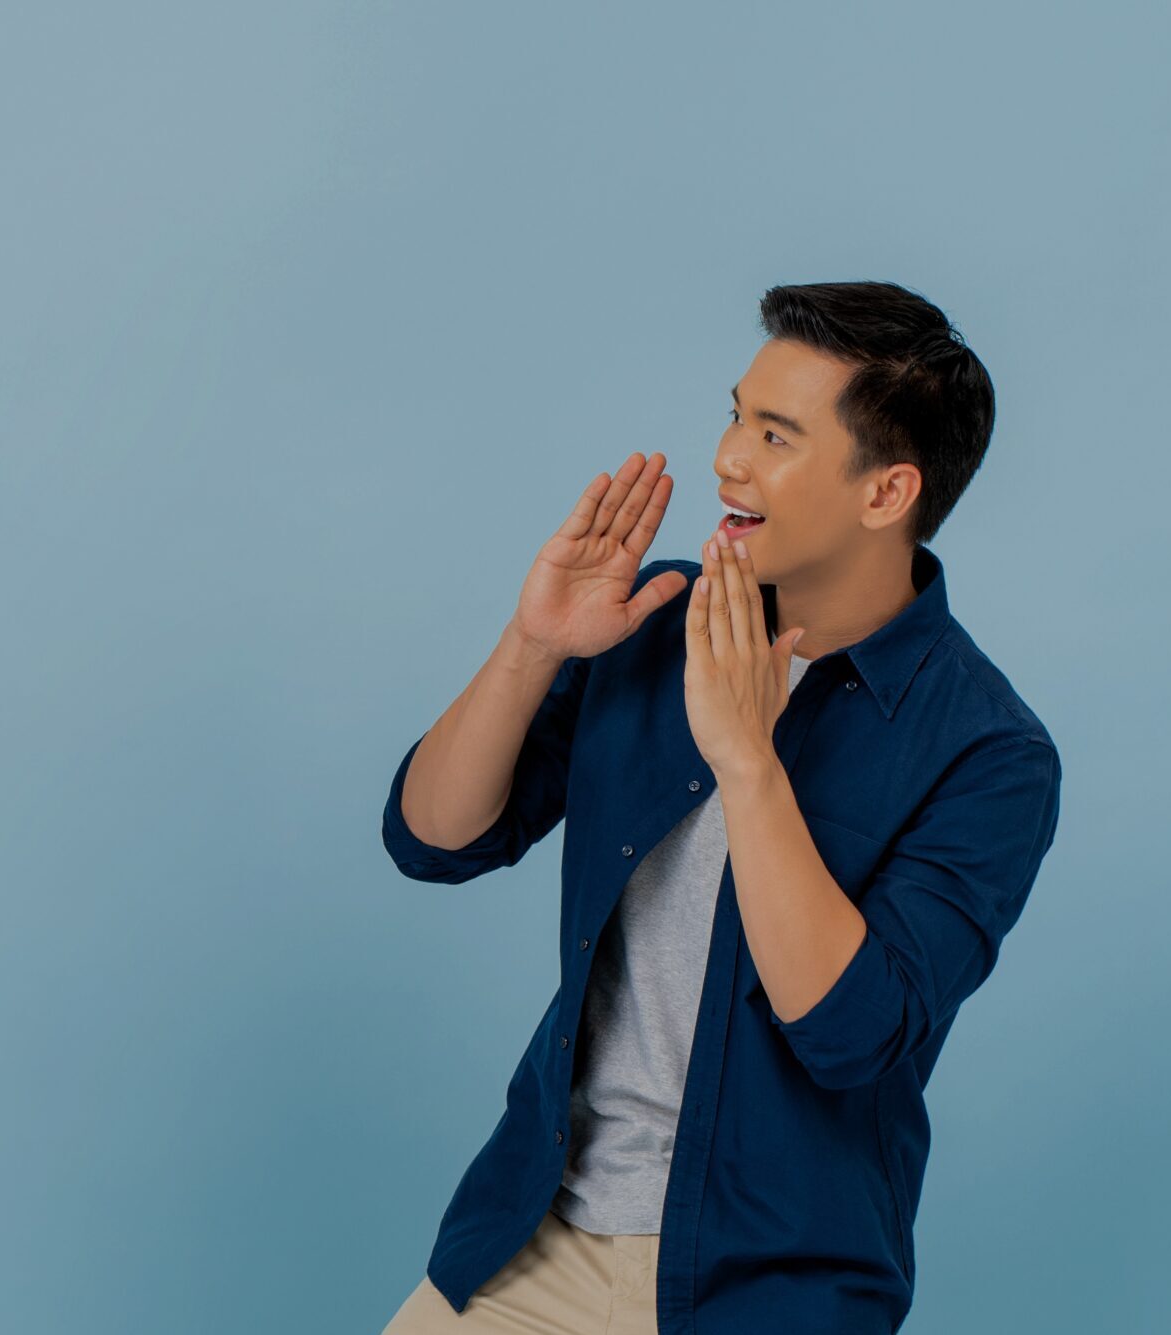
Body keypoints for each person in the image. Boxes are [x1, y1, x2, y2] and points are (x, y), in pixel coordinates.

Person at [376, 281, 1064, 1334]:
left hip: (767, 1288)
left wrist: (749, 760)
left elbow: (850, 1034)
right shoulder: (652, 621)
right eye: (737, 413)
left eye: (775, 435)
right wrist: (534, 643)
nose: (727, 457)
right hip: (528, 1243)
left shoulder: (989, 753)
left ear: (885, 494)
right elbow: (433, 839)